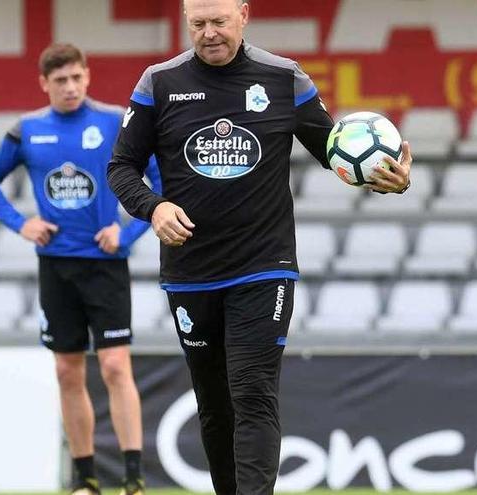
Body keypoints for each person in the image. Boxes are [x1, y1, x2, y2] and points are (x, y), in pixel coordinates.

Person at [107, 0, 412, 493]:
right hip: (191, 269)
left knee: (252, 390)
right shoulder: (158, 83)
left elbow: (334, 152)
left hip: (263, 266)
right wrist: (154, 208)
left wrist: (383, 180)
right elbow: (121, 167)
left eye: (219, 22)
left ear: (243, 15)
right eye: (198, 24)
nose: (208, 33)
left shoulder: (284, 78)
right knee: (214, 403)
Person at [0, 43, 161, 495]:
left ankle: (134, 481)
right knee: (66, 371)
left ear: (87, 76)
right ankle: (86, 480)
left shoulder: (114, 122)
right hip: (56, 268)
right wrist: (22, 223)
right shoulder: (28, 130)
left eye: (77, 78)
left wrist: (128, 231)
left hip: (106, 265)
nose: (71, 87)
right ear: (45, 83)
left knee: (116, 366)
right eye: (61, 80)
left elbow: (158, 179)